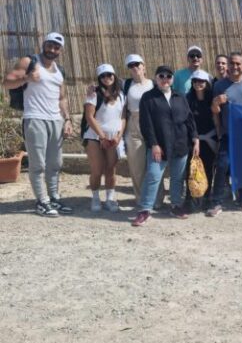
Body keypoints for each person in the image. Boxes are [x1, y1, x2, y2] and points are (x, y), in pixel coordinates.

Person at [2, 32, 74, 217]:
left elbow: (62, 97)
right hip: (35, 118)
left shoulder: (60, 70)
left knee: (55, 163)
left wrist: (67, 119)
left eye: (56, 47)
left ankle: (54, 198)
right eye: (50, 45)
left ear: (60, 49)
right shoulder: (29, 62)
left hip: (55, 120)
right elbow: (7, 82)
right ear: (44, 44)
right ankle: (42, 201)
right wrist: (26, 79)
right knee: (38, 164)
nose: (52, 49)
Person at [132, 66, 199, 226]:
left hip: (180, 144)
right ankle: (145, 210)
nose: (165, 79)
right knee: (153, 176)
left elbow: (189, 119)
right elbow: (146, 124)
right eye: (161, 76)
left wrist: (195, 138)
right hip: (159, 146)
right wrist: (153, 144)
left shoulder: (180, 97)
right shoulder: (148, 98)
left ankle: (175, 205)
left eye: (168, 76)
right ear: (156, 78)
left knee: (177, 178)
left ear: (172, 79)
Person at [207, 51, 242, 216]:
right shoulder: (219, 86)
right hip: (229, 136)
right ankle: (217, 203)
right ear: (228, 65)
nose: (235, 66)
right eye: (232, 63)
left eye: (238, 64)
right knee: (222, 166)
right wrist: (216, 103)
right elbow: (215, 111)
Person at [83, 64, 126, 212]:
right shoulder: (93, 94)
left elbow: (123, 117)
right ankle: (95, 197)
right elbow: (89, 117)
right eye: (103, 76)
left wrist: (119, 136)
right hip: (95, 137)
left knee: (111, 169)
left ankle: (109, 199)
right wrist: (102, 137)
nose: (107, 78)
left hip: (113, 138)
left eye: (109, 75)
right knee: (97, 169)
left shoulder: (121, 95)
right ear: (99, 78)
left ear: (114, 76)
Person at [122, 54, 158, 200]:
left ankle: (157, 199)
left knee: (155, 164)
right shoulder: (125, 85)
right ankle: (141, 199)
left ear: (144, 66)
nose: (135, 67)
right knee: (136, 165)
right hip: (134, 125)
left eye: (137, 64)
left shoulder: (154, 83)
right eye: (131, 65)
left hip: (153, 124)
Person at [185, 70, 217, 211]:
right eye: (196, 81)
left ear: (207, 83)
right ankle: (191, 200)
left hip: (210, 139)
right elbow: (187, 120)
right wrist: (194, 137)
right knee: (191, 170)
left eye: (202, 81)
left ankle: (207, 198)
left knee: (208, 170)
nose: (199, 83)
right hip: (193, 140)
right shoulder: (187, 99)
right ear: (192, 82)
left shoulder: (212, 99)